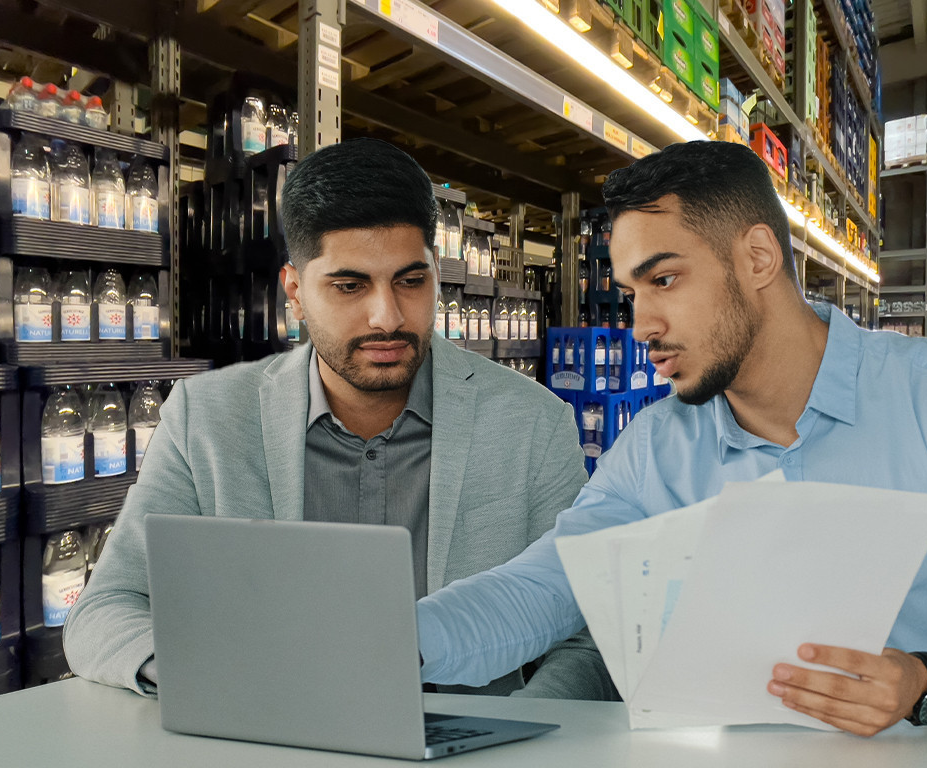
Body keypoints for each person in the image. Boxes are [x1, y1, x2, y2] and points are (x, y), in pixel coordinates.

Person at [414, 140, 927, 735]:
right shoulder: (659, 448)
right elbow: (541, 588)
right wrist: (387, 635)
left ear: (758, 258)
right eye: (633, 293)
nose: (640, 329)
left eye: (664, 281)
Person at [64, 138, 615, 702]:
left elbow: (588, 634)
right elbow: (107, 608)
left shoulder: (531, 422)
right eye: (349, 286)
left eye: (411, 280)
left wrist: (522, 734)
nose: (388, 316)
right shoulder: (206, 419)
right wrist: (205, 675)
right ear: (295, 293)